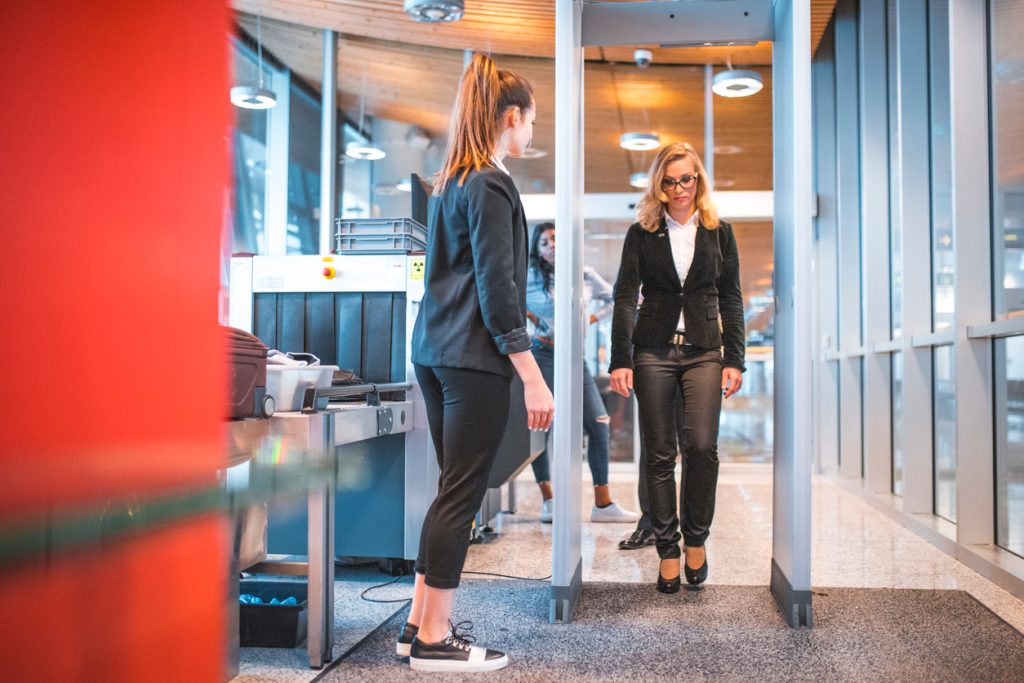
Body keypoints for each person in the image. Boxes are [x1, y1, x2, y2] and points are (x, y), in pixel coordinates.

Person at [402, 53, 554, 672]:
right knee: (461, 495)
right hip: (471, 359)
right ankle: (435, 640)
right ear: (511, 116)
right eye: (531, 122)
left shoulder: (450, 182)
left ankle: (415, 625)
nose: (530, 133)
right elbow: (497, 290)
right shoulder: (490, 183)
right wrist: (533, 377)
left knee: (450, 490)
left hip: (435, 354)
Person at [608, 142, 745, 594]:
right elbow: (625, 297)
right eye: (669, 182)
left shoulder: (719, 232)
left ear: (698, 179)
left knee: (702, 446)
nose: (679, 188)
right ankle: (667, 548)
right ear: (658, 186)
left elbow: (731, 298)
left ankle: (696, 539)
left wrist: (735, 358)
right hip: (653, 351)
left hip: (704, 350)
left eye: (686, 179)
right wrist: (620, 358)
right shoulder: (642, 233)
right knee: (659, 452)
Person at [525, 222, 639, 524]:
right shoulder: (529, 277)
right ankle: (549, 500)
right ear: (537, 250)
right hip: (543, 353)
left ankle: (603, 504)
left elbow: (615, 298)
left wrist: (592, 318)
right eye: (544, 242)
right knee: (542, 425)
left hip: (576, 357)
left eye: (555, 239)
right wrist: (530, 316)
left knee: (599, 423)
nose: (551, 245)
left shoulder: (583, 274)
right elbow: (507, 305)